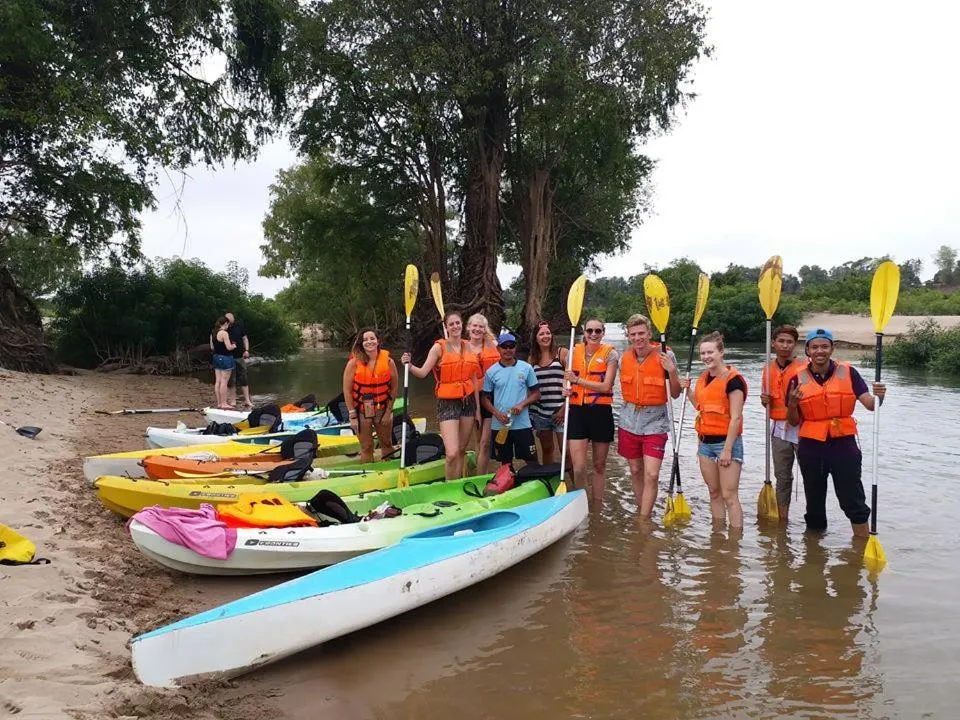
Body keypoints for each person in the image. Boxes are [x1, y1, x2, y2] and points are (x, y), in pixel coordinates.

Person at [785, 327, 886, 537]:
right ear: (807, 351)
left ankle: (861, 547)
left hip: (844, 446)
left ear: (832, 348)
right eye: (814, 347)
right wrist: (793, 404)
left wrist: (879, 397)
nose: (819, 351)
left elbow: (869, 404)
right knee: (814, 505)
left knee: (852, 500)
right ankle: (814, 556)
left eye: (824, 346)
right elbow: (793, 421)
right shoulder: (796, 379)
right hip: (812, 448)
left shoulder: (849, 372)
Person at [402, 311, 481, 480]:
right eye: (451, 324)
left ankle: (456, 484)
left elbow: (473, 378)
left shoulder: (468, 346)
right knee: (451, 452)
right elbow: (423, 372)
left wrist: (478, 411)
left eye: (458, 323)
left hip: (468, 403)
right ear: (446, 327)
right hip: (447, 402)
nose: (455, 326)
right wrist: (409, 366)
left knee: (461, 450)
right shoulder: (439, 347)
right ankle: (448, 484)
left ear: (462, 324)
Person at [679, 331, 747, 530]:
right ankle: (717, 536)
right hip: (705, 444)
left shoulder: (734, 380)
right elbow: (700, 406)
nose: (706, 357)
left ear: (721, 352)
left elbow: (736, 417)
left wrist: (727, 450)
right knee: (714, 492)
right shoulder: (703, 378)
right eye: (702, 353)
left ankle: (735, 541)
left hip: (727, 444)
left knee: (729, 495)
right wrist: (688, 390)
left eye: (710, 352)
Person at [617, 314, 681, 518]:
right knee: (636, 470)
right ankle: (641, 510)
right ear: (628, 336)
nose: (637, 338)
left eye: (641, 333)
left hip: (656, 422)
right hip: (629, 421)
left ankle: (644, 520)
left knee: (652, 474)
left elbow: (676, 393)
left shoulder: (666, 355)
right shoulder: (623, 358)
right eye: (633, 334)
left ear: (649, 333)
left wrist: (671, 371)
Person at [563, 318, 618, 501]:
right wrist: (566, 386)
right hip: (577, 412)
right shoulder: (573, 352)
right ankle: (583, 502)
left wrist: (577, 381)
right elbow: (567, 378)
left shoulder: (611, 354)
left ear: (603, 333)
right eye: (590, 331)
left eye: (597, 331)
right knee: (578, 467)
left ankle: (597, 506)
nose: (593, 334)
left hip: (601, 413)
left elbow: (605, 386)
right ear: (584, 332)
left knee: (599, 465)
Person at [759, 324, 806, 523]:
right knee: (782, 477)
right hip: (778, 430)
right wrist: (764, 401)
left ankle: (812, 519)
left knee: (811, 477)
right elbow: (766, 401)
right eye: (781, 341)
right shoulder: (768, 368)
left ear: (795, 345)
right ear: (774, 343)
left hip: (803, 429)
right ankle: (782, 521)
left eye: (789, 342)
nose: (785, 346)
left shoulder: (805, 367)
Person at [481, 333, 540, 468]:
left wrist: (522, 404)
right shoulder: (491, 372)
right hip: (500, 425)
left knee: (532, 461)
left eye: (511, 346)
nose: (508, 350)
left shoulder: (526, 368)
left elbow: (536, 394)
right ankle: (507, 485)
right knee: (505, 464)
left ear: (515, 348)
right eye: (504, 347)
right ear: (498, 349)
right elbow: (485, 398)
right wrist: (496, 413)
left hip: (522, 424)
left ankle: (534, 482)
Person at [343, 328, 399, 464]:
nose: (369, 342)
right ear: (361, 344)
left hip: (382, 409)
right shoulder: (353, 363)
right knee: (367, 447)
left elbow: (394, 388)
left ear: (378, 341)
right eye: (365, 340)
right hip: (361, 411)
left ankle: (389, 471)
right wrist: (353, 416)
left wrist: (388, 412)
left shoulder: (389, 362)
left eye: (372, 338)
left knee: (386, 443)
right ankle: (368, 474)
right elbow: (347, 390)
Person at [466, 313, 502, 474]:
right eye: (474, 326)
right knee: (477, 438)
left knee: (485, 442)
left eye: (481, 326)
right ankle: (474, 473)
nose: (477, 329)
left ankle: (481, 476)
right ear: (469, 327)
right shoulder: (462, 347)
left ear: (485, 329)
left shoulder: (493, 344)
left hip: (490, 396)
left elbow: (507, 363)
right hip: (471, 397)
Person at [529, 321, 568, 465]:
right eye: (541, 334)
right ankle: (550, 483)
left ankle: (574, 486)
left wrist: (564, 410)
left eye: (548, 333)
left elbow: (573, 383)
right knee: (546, 450)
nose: (545, 336)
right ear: (536, 338)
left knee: (567, 453)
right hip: (541, 414)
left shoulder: (562, 353)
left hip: (561, 412)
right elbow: (530, 389)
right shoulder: (532, 359)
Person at [225, 312, 252, 409]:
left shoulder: (239, 326)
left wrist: (246, 350)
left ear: (233, 319)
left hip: (240, 357)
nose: (229, 322)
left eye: (230, 319)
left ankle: (247, 400)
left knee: (243, 378)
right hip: (228, 357)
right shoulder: (224, 328)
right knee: (231, 380)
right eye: (227, 320)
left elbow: (245, 338)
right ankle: (232, 400)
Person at [210, 316, 236, 410]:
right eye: (228, 324)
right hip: (225, 358)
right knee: (224, 381)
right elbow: (229, 347)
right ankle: (224, 403)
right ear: (225, 323)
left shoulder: (213, 332)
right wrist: (234, 345)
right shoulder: (224, 333)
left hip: (216, 357)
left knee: (218, 381)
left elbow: (212, 347)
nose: (229, 326)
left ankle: (219, 403)